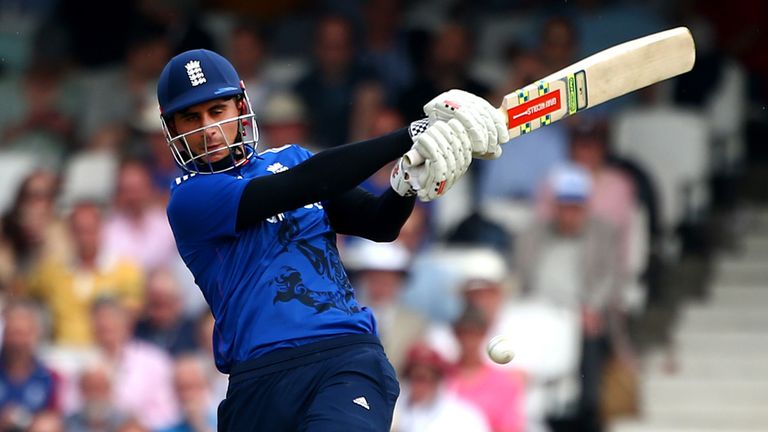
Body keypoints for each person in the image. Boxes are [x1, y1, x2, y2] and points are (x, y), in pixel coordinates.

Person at [156, 47, 508, 431]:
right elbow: (307, 183)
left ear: (241, 107)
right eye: (191, 118)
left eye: (217, 111)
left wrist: (407, 183)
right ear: (172, 130)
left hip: (343, 359)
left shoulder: (291, 157)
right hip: (256, 382)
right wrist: (409, 135)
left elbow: (379, 224)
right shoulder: (189, 198)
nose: (207, 129)